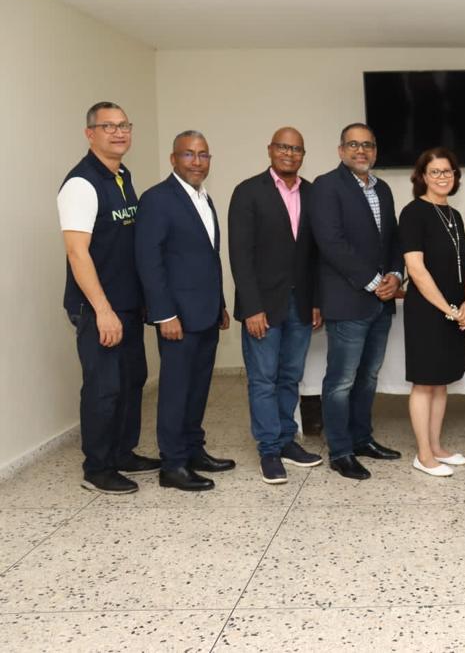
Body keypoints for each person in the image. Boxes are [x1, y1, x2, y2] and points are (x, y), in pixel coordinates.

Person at [57, 101, 159, 494]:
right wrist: (102, 310)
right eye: (108, 126)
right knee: (104, 388)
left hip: (128, 304)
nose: (119, 133)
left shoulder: (121, 176)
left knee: (133, 380)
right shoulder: (81, 183)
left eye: (124, 125)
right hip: (99, 308)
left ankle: (122, 453)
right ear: (90, 134)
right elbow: (77, 253)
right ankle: (97, 469)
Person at [135, 131, 236, 492]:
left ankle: (193, 450)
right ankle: (173, 465)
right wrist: (164, 315)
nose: (197, 161)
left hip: (205, 312)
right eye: (189, 154)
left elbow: (208, 258)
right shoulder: (157, 199)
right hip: (176, 316)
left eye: (203, 155)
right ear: (173, 159)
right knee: (176, 391)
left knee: (197, 388)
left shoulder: (204, 198)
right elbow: (149, 261)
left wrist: (220, 304)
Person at [228, 127, 324, 485]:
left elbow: (315, 256)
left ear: (303, 155)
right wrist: (252, 307)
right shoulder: (248, 192)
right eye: (283, 147)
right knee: (263, 379)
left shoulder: (312, 193)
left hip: (302, 305)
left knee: (290, 377)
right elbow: (240, 255)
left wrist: (316, 302)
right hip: (263, 307)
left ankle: (286, 441)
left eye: (296, 149)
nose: (289, 153)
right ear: (270, 150)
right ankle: (268, 449)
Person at [309, 123, 403, 481]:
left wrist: (395, 275)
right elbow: (331, 243)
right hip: (347, 301)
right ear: (341, 150)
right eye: (353, 144)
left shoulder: (383, 189)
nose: (360, 151)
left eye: (367, 145)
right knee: (341, 381)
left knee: (368, 377)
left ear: (375, 151)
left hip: (381, 302)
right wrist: (375, 282)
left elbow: (393, 239)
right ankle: (341, 451)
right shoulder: (326, 186)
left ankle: (362, 440)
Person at [399, 148, 465, 477]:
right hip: (427, 311)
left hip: (456, 311)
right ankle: (423, 454)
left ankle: (436, 446)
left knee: (441, 381)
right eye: (435, 172)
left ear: (455, 176)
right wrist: (449, 309)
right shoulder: (413, 213)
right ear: (422, 177)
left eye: (448, 171)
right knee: (424, 382)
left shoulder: (454, 215)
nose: (442, 177)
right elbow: (416, 269)